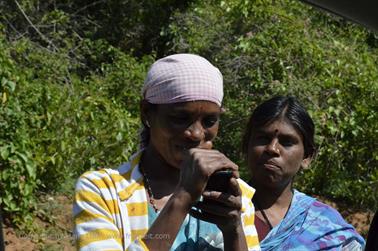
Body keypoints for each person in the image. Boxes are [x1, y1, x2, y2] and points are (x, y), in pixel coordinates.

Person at [73, 54, 260, 250]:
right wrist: (184, 196)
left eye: (209, 121)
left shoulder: (234, 195)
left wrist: (234, 230)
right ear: (147, 113)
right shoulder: (102, 191)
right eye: (180, 118)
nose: (196, 134)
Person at [242, 96, 365, 250]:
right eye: (263, 138)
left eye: (286, 142)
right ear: (247, 145)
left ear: (307, 157)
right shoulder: (216, 206)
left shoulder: (326, 228)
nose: (272, 148)